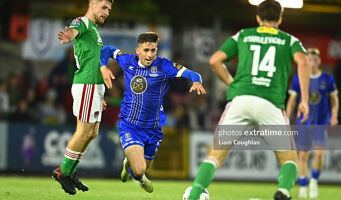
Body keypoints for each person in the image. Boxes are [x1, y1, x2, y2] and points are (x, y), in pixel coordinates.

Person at [187, 1, 309, 200]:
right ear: (280, 18)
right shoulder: (290, 40)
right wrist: (303, 99)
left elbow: (214, 60)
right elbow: (303, 62)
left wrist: (231, 82)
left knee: (215, 156)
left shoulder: (242, 35)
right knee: (289, 160)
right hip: (270, 103)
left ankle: (193, 196)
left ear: (258, 18)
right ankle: (283, 191)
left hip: (240, 100)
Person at [100, 32, 206, 193]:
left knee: (139, 169)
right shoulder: (127, 60)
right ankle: (138, 174)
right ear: (138, 50)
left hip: (153, 129)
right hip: (130, 126)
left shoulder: (164, 66)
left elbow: (192, 74)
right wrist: (103, 66)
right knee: (140, 170)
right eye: (146, 50)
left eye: (153, 50)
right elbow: (106, 50)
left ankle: (129, 164)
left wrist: (197, 80)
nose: (150, 54)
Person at [52, 0, 115, 195]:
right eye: (104, 7)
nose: (106, 12)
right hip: (86, 84)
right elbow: (74, 30)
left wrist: (99, 95)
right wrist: (69, 36)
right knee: (83, 131)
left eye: (109, 10)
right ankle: (63, 172)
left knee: (92, 132)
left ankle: (69, 172)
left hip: (94, 87)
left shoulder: (94, 30)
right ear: (93, 4)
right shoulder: (83, 22)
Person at [286, 48, 339, 199]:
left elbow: (334, 99)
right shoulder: (298, 79)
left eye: (315, 59)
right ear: (306, 61)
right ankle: (303, 187)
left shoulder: (327, 79)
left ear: (319, 61)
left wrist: (334, 115)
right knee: (302, 157)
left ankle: (314, 180)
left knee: (319, 154)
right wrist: (287, 118)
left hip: (320, 122)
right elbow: (292, 99)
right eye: (309, 59)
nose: (312, 62)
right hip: (304, 122)